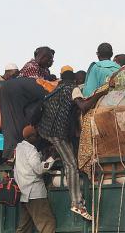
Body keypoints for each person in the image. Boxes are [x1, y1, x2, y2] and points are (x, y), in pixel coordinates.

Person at [38, 68, 92, 220]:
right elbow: (83, 106)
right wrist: (99, 94)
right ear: (74, 79)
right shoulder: (73, 88)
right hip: (58, 134)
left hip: (46, 132)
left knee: (67, 159)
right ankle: (77, 203)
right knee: (71, 165)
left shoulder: (55, 91)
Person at [8, 126, 58, 233]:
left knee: (24, 225)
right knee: (48, 223)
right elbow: (39, 169)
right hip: (35, 193)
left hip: (23, 193)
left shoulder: (19, 148)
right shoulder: (31, 149)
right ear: (31, 137)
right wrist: (53, 157)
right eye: (36, 135)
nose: (39, 138)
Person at [0, 76, 47, 157]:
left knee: (11, 131)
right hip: (23, 118)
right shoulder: (36, 85)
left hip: (10, 104)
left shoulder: (7, 85)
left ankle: (11, 155)